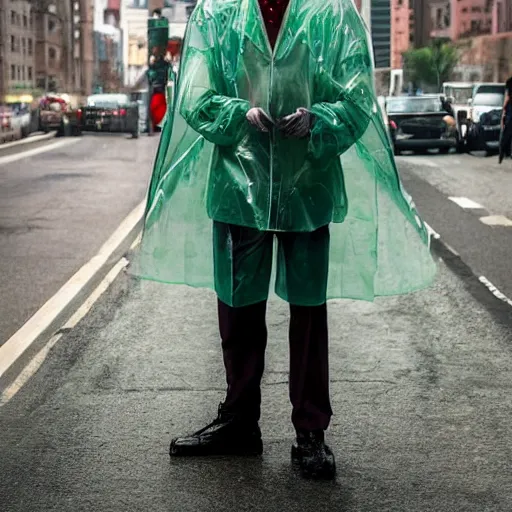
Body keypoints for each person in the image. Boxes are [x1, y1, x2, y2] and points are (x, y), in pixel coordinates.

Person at [133, 0, 436, 480]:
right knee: (237, 310)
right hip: (237, 183)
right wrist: (236, 115)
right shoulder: (218, 13)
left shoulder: (331, 13)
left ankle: (311, 433)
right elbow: (193, 92)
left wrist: (320, 119)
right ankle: (238, 422)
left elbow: (358, 98)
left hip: (307, 183)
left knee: (309, 313)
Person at [499, 77, 512, 164]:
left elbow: (507, 96)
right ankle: (506, 152)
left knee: (507, 132)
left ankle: (503, 153)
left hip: (510, 108)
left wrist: (504, 108)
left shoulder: (510, 81)